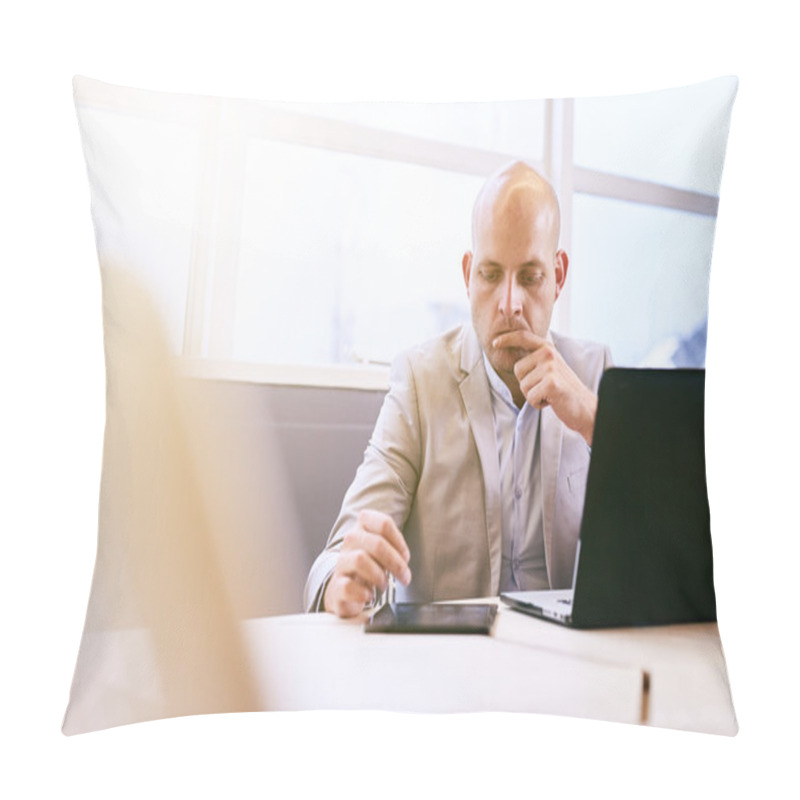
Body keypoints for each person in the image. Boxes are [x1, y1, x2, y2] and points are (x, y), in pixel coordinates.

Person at [304, 161, 612, 618]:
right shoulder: (419, 379)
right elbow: (334, 556)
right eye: (490, 275)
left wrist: (593, 420)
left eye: (530, 277)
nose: (509, 305)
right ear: (468, 275)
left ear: (558, 276)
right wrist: (339, 582)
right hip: (449, 665)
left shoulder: (595, 372)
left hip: (570, 664)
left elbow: (668, 541)